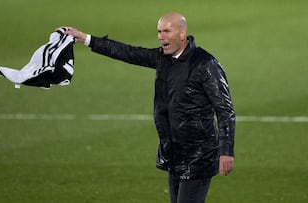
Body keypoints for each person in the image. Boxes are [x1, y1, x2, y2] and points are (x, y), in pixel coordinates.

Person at [62, 12, 235, 203]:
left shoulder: (205, 64)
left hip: (198, 155)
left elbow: (225, 109)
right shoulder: (163, 58)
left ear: (182, 33)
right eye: (159, 31)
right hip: (173, 153)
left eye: (166, 31)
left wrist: (226, 151)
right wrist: (85, 38)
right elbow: (128, 52)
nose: (161, 36)